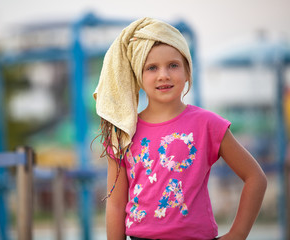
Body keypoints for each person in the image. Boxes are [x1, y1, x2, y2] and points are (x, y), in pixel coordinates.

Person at [93, 17, 267, 240]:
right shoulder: (123, 132)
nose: (163, 75)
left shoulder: (208, 124)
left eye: (173, 65)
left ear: (187, 71)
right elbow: (116, 205)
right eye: (151, 68)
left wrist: (238, 234)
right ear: (138, 75)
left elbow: (255, 178)